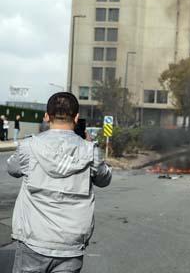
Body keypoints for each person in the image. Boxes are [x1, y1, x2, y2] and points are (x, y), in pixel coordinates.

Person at [7, 92, 112, 273]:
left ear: (46, 116)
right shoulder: (90, 152)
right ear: (77, 118)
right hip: (70, 246)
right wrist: (91, 145)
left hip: (33, 241)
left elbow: (12, 169)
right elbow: (105, 179)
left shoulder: (29, 147)